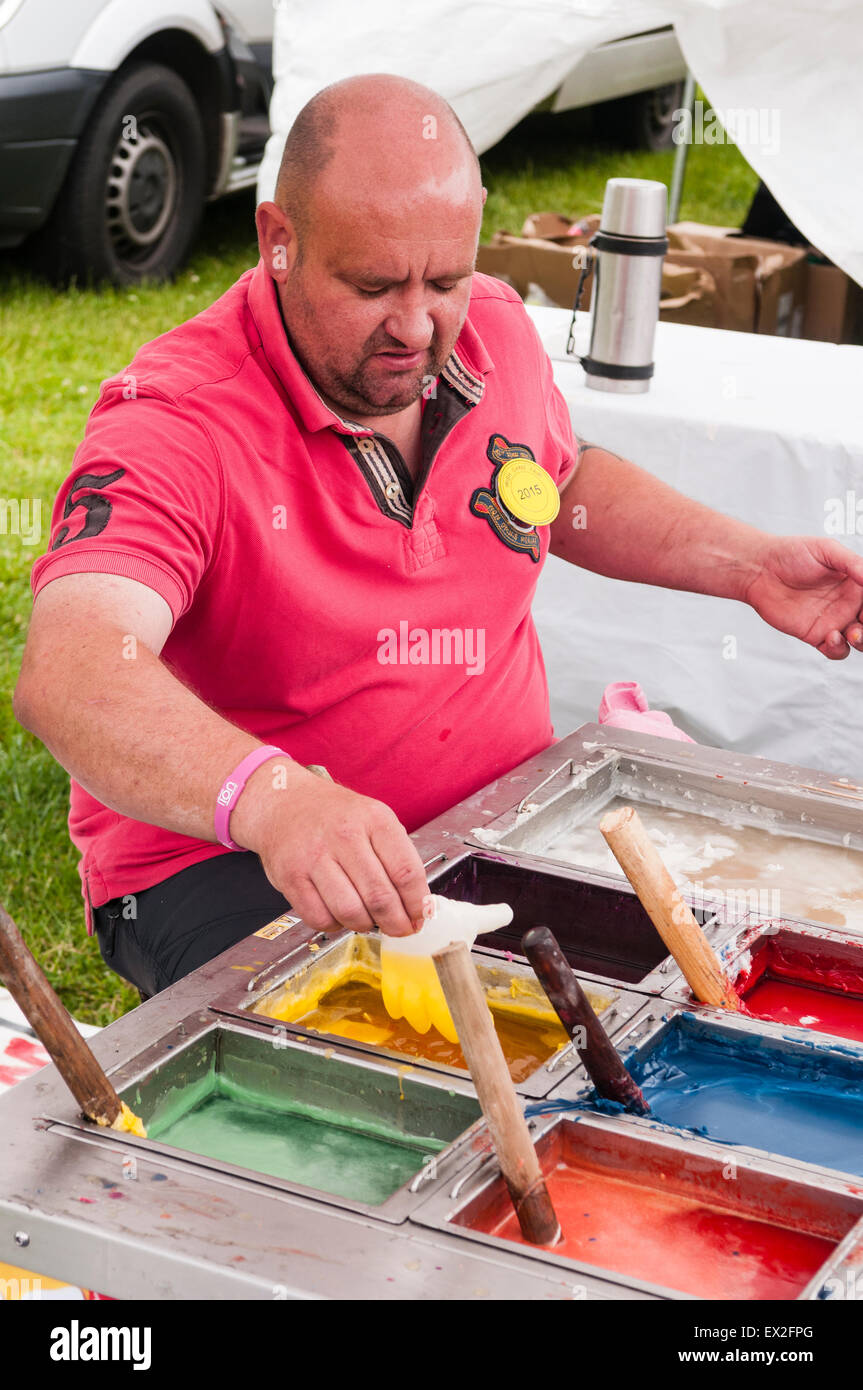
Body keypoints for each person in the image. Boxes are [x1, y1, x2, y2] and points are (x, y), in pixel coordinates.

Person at [14, 74, 863, 999]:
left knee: (742, 982)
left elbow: (557, 479)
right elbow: (78, 670)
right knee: (393, 1084)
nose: (417, 327)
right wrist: (272, 797)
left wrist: (749, 566)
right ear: (278, 243)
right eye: (372, 285)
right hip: (233, 858)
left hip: (497, 816)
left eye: (444, 280)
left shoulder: (490, 327)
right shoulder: (178, 419)